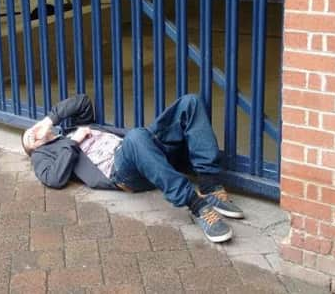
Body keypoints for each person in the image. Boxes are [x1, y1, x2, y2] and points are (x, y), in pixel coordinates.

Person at [21, 94, 244, 243]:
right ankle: (196, 205)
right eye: (30, 138)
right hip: (122, 170)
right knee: (136, 136)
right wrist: (74, 141)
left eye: (32, 129)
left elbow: (83, 102)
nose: (34, 132)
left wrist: (49, 120)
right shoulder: (45, 155)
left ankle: (209, 184)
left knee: (190, 102)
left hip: (143, 147)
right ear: (34, 150)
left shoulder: (67, 127)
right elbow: (53, 179)